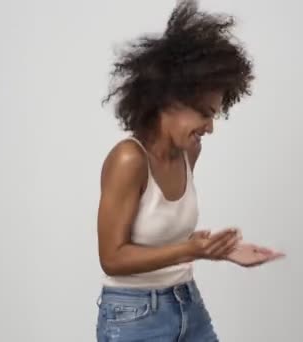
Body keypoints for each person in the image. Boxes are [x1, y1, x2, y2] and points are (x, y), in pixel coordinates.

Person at [96, 1, 284, 340]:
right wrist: (190, 251)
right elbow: (112, 258)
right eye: (203, 113)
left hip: (187, 302)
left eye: (215, 114)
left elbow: (161, 235)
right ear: (168, 100)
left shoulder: (188, 151)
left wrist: (221, 250)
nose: (209, 127)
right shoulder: (128, 159)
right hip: (134, 316)